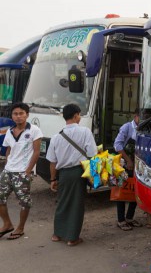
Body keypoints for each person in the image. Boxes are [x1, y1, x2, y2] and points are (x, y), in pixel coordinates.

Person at [47, 104, 97, 246]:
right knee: (76, 205)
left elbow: (52, 161)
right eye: (79, 115)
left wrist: (53, 179)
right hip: (78, 172)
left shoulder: (56, 136)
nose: (80, 117)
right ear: (75, 115)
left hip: (63, 174)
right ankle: (72, 238)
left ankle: (57, 234)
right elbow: (93, 155)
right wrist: (94, 177)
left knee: (62, 202)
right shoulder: (85, 132)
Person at [0, 102, 42, 240]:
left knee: (24, 202)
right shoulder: (9, 132)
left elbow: (36, 152)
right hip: (8, 171)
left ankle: (20, 228)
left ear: (27, 115)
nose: (18, 117)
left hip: (22, 172)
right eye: (15, 114)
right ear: (12, 116)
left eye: (21, 113)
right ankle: (7, 224)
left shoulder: (34, 130)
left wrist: (28, 171)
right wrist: (8, 164)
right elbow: (8, 150)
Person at [113, 109, 142, 231]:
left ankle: (130, 217)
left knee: (135, 191)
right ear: (136, 117)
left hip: (138, 165)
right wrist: (128, 160)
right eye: (142, 117)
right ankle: (121, 220)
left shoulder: (144, 128)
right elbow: (117, 145)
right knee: (122, 192)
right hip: (124, 165)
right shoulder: (127, 127)